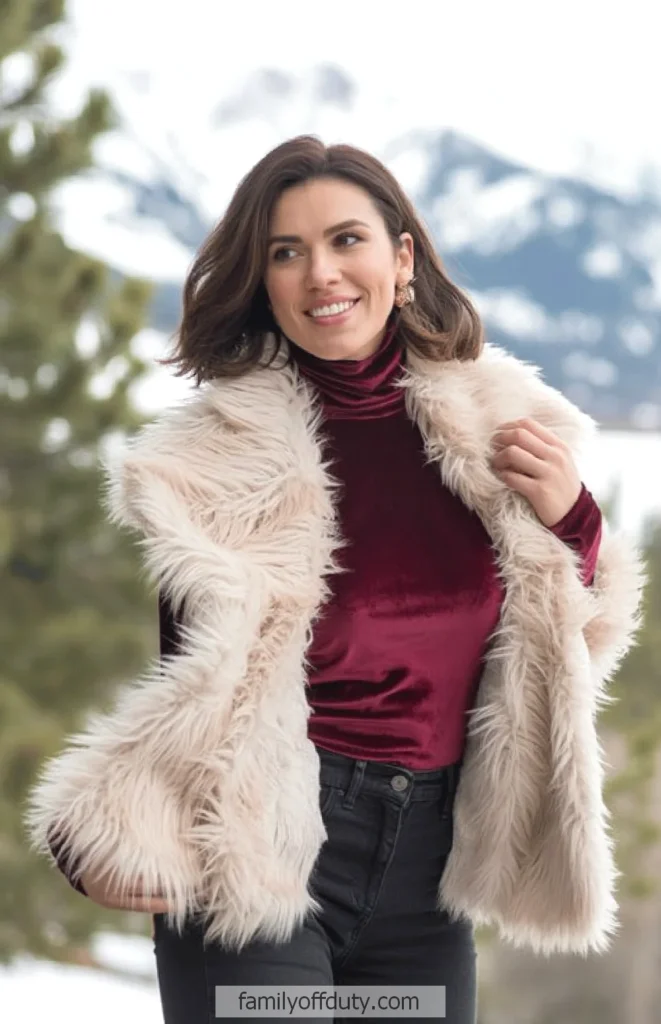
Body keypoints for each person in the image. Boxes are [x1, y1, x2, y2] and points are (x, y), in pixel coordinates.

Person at [27, 135, 644, 1024]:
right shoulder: (211, 463)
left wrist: (571, 520)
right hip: (259, 851)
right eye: (286, 252)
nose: (321, 273)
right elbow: (199, 686)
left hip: (429, 879)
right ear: (263, 280)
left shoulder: (500, 427)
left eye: (345, 240)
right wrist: (107, 830)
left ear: (399, 260)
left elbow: (567, 647)